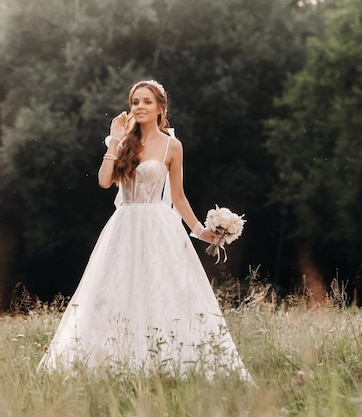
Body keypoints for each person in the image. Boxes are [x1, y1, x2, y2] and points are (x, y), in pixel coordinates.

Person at [38, 80, 251, 380]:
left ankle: (166, 361)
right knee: (116, 288)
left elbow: (178, 197)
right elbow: (103, 181)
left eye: (147, 102)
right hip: (125, 225)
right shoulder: (124, 142)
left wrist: (201, 231)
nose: (139, 107)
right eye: (135, 101)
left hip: (160, 227)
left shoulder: (172, 145)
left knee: (163, 290)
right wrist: (113, 140)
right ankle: (110, 360)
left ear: (160, 108)